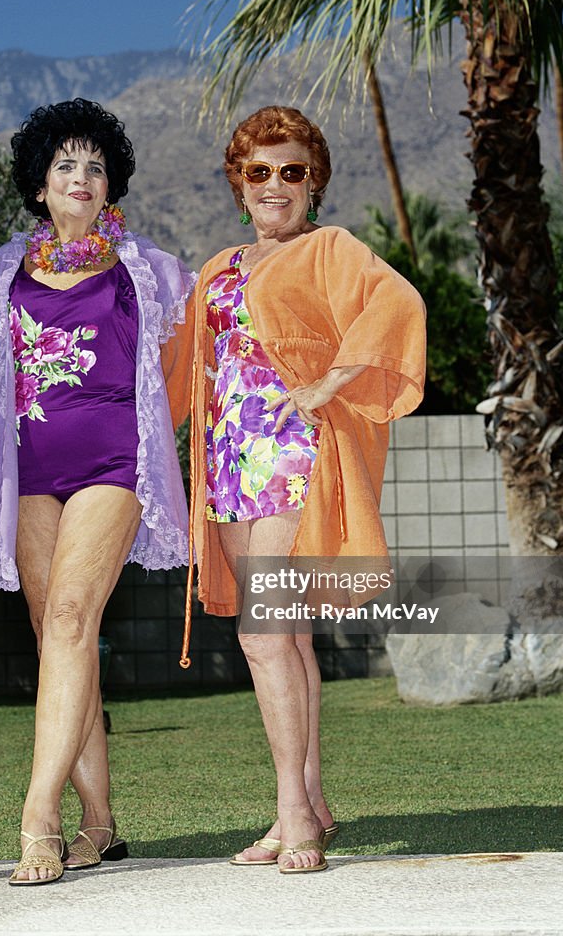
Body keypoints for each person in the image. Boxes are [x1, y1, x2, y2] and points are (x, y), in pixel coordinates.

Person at [182, 105, 426, 874]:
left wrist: (331, 380)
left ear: (312, 179)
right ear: (239, 183)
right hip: (226, 463)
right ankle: (309, 800)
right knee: (281, 637)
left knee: (263, 633)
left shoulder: (331, 247)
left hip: (292, 453)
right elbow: (176, 359)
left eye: (292, 170)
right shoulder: (217, 268)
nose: (275, 184)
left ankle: (292, 815)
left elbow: (397, 305)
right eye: (259, 172)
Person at [0, 98, 194, 885]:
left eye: (95, 166)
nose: (81, 176)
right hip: (29, 473)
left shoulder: (150, 269)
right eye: (65, 164)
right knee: (57, 637)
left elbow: (201, 350)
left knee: (69, 616)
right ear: (38, 185)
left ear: (110, 186)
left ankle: (38, 819)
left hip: (113, 464)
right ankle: (98, 824)